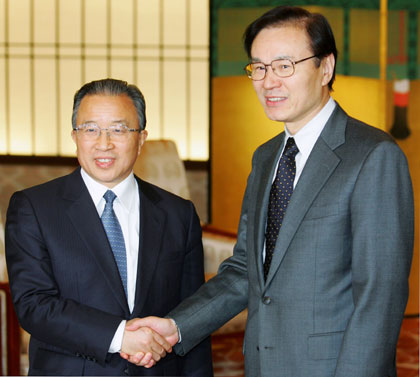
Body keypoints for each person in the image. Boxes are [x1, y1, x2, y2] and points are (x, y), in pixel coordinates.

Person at [123, 6, 414, 377]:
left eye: (284, 65)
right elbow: (247, 270)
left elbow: (380, 296)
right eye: (258, 68)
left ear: (325, 67)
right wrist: (178, 326)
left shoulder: (373, 156)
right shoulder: (266, 158)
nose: (268, 81)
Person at [5, 78, 213, 376]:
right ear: (75, 136)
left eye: (119, 129)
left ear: (141, 138)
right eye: (90, 129)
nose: (104, 143)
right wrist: (120, 336)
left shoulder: (178, 213)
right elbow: (34, 305)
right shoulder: (34, 208)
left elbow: (192, 317)